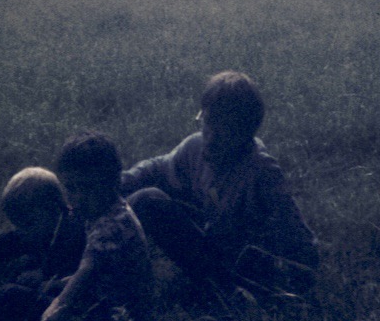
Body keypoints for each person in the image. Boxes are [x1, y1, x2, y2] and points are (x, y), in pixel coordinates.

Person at [122, 70, 319, 300]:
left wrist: (272, 270)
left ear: (245, 134)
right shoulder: (195, 147)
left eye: (224, 131)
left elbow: (303, 246)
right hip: (209, 239)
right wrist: (116, 183)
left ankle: (227, 294)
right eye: (207, 124)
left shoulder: (261, 174)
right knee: (143, 198)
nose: (211, 138)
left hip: (235, 262)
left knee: (146, 201)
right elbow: (155, 169)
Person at [32, 132, 155, 321]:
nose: (77, 199)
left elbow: (88, 270)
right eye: (71, 189)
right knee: (40, 287)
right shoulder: (106, 210)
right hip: (108, 296)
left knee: (23, 299)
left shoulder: (112, 224)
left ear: (114, 183)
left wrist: (57, 310)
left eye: (87, 188)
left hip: (119, 313)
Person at [0, 166, 85, 321]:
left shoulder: (75, 232)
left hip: (66, 304)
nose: (23, 231)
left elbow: (79, 277)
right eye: (19, 225)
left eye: (28, 223)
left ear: (53, 208)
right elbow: (12, 240)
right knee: (10, 280)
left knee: (11, 294)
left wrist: (44, 281)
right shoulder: (41, 229)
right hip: (48, 287)